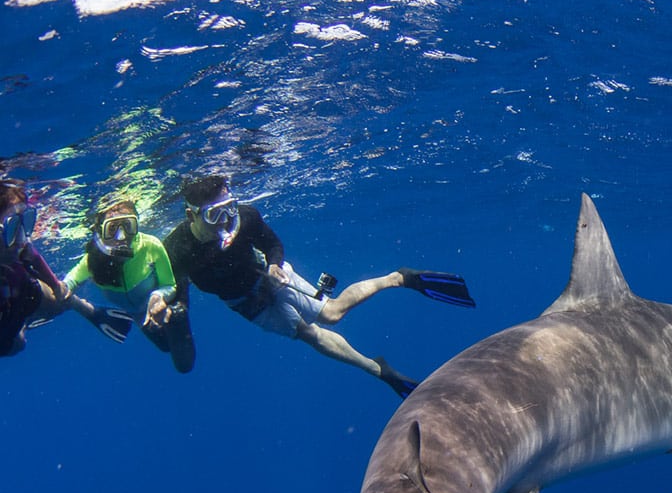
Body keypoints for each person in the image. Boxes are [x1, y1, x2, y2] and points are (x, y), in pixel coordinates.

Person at [163, 175, 475, 398]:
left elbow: (273, 244)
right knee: (308, 334)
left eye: (230, 207)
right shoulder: (177, 249)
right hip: (243, 302)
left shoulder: (245, 218)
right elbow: (177, 290)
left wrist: (273, 265)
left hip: (269, 276)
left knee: (333, 314)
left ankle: (400, 278)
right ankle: (382, 373)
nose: (226, 219)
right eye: (216, 214)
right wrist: (170, 312)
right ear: (192, 215)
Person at [61, 197, 195, 373]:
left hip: (162, 304)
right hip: (138, 314)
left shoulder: (151, 245)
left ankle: (178, 312)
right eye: (112, 228)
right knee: (164, 346)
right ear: (100, 231)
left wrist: (158, 297)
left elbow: (169, 285)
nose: (121, 237)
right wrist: (67, 295)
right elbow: (68, 282)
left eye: (128, 226)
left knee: (184, 364)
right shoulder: (93, 261)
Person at [2, 180, 132, 357]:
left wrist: (62, 290)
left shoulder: (20, 245)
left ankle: (84, 310)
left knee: (58, 303)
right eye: (13, 225)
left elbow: (34, 256)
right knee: (18, 344)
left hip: (20, 288)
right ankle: (21, 324)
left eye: (27, 221)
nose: (22, 237)